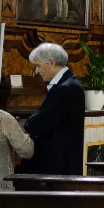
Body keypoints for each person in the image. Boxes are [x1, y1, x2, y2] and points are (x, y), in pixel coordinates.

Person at [21, 43, 85, 175]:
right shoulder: (65, 84)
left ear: (52, 63)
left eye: (38, 66)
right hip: (56, 162)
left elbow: (37, 124)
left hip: (58, 165)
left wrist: (27, 123)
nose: (36, 71)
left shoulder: (65, 89)